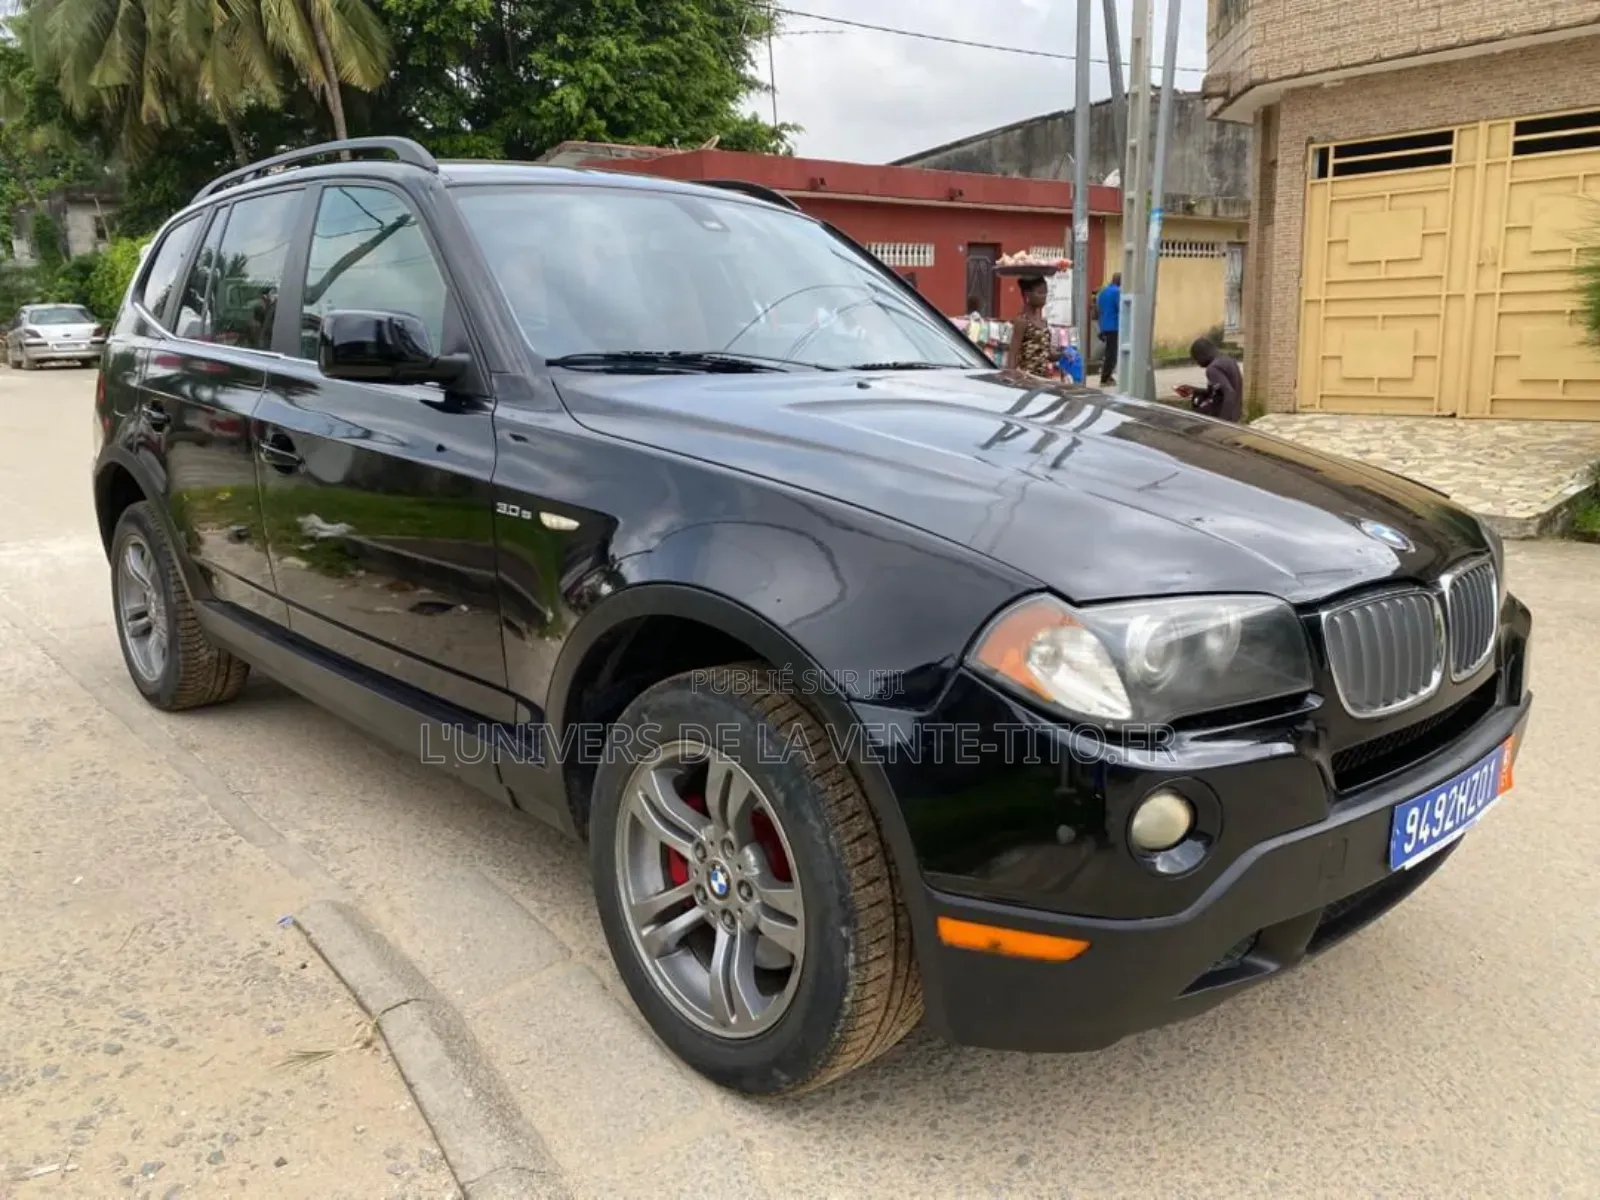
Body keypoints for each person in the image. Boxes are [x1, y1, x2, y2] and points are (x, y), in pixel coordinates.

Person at [1178, 337, 1245, 423]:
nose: (1198, 364)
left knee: (1185, 420)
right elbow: (1220, 392)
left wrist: (1222, 422)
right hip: (1235, 413)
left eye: (1197, 359)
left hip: (1224, 416)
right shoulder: (1228, 360)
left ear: (1203, 354)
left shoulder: (1212, 368)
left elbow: (1229, 393)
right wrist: (1193, 390)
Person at [1007, 275, 1054, 377]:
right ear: (1027, 294)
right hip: (1026, 380)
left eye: (1046, 292)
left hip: (1042, 380)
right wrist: (1010, 378)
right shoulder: (1022, 321)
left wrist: (1063, 355)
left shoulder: (1043, 322)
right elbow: (1012, 354)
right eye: (1040, 292)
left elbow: (1044, 353)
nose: (1044, 296)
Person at [1095, 273, 1121, 385]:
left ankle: (1106, 376)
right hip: (1114, 326)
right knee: (1112, 354)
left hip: (1104, 326)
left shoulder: (1103, 292)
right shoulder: (1117, 292)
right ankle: (1105, 378)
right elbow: (1121, 307)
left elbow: (1098, 309)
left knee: (1109, 352)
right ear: (1120, 281)